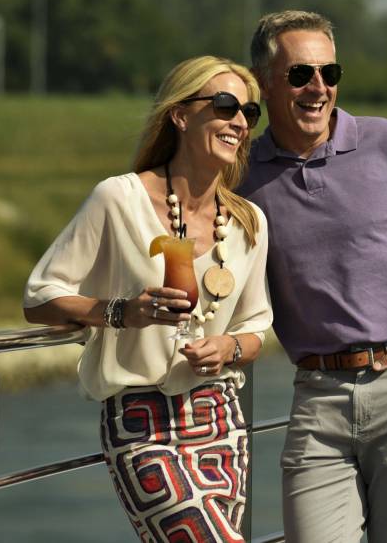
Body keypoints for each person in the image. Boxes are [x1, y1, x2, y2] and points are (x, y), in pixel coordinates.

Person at [239, 11, 387, 542]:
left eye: (330, 72)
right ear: (264, 84)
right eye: (301, 74)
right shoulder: (242, 173)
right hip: (317, 398)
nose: (318, 87)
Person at [23, 56, 272, 542]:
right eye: (225, 105)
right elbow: (38, 297)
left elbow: (256, 328)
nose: (240, 122)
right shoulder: (118, 199)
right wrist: (121, 312)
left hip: (219, 417)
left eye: (249, 112)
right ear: (180, 115)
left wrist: (228, 347)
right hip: (141, 424)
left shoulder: (249, 222)